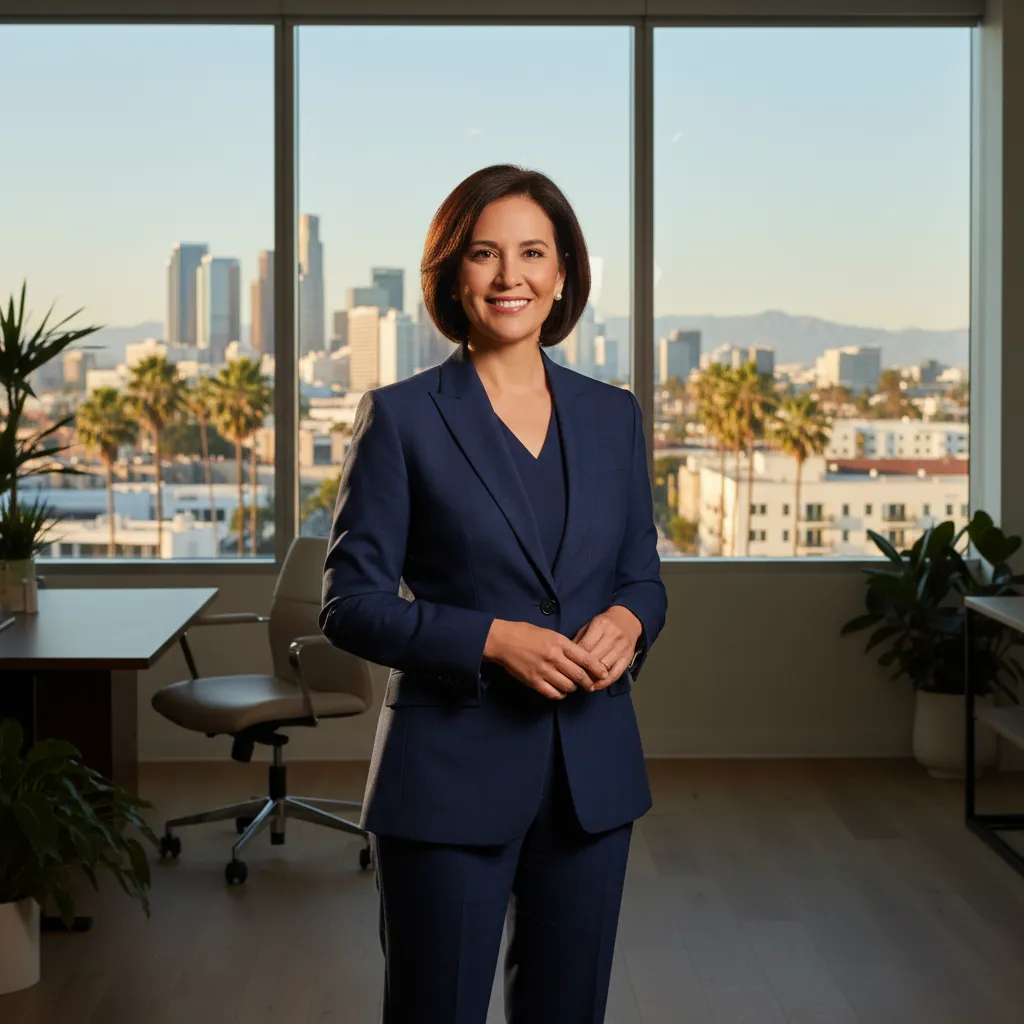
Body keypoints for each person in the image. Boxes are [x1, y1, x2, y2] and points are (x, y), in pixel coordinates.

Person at [320, 163, 667, 1024]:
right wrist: (489, 641)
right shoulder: (400, 417)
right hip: (444, 779)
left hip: (592, 777)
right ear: (452, 274)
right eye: (484, 253)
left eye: (532, 253)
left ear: (562, 275)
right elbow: (350, 604)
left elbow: (641, 574)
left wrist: (630, 618)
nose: (510, 276)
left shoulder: (613, 416)